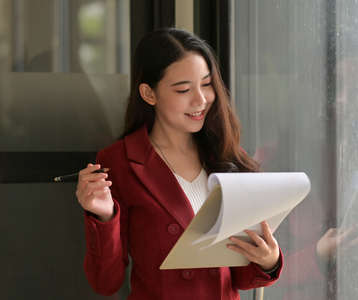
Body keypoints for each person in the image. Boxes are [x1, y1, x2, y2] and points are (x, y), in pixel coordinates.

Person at [75, 28, 283, 300]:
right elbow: (106, 282)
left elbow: (240, 278)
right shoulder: (119, 162)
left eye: (207, 84)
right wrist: (103, 217)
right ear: (149, 94)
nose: (201, 100)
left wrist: (269, 259)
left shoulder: (225, 154)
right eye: (184, 89)